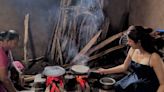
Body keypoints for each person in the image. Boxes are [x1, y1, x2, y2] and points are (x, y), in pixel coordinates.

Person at [96, 25, 164, 92]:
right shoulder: (132, 49)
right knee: (118, 86)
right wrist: (105, 71)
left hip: (149, 85)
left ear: (139, 42)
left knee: (135, 87)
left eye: (130, 41)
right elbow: (124, 67)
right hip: (135, 78)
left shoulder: (154, 57)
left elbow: (162, 84)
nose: (128, 43)